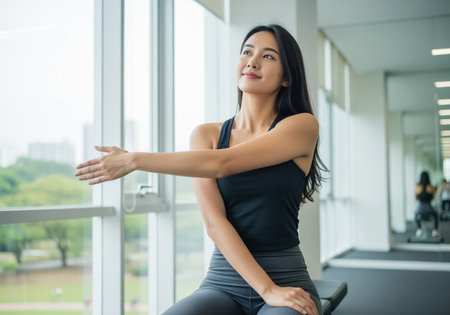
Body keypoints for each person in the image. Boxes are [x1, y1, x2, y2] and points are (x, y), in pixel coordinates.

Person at [75, 24, 324, 315]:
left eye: (268, 56)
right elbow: (215, 223)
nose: (252, 61)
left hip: (285, 278)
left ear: (287, 77)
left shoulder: (302, 125)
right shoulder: (206, 134)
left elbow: (223, 163)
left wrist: (134, 160)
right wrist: (263, 288)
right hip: (223, 282)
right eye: (247, 52)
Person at [414, 171, 438, 237]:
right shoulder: (431, 187)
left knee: (415, 214)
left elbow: (416, 198)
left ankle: (419, 229)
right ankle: (435, 230)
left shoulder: (417, 187)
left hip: (420, 208)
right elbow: (433, 198)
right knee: (436, 215)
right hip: (429, 208)